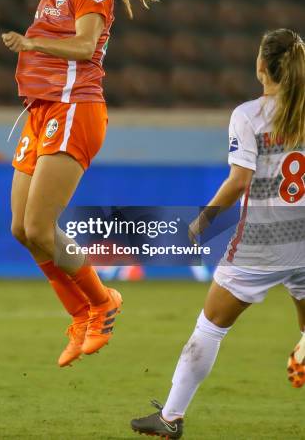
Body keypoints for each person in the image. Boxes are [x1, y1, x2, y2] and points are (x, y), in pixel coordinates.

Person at [131, 28, 305, 438]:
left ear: (261, 66)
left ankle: (170, 418)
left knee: (210, 327)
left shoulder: (249, 115)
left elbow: (239, 180)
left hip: (263, 243)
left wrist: (204, 220)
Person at [2, 0, 157, 367]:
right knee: (22, 230)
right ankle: (81, 313)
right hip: (43, 111)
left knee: (38, 227)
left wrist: (31, 44)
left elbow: (87, 45)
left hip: (75, 109)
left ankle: (103, 302)